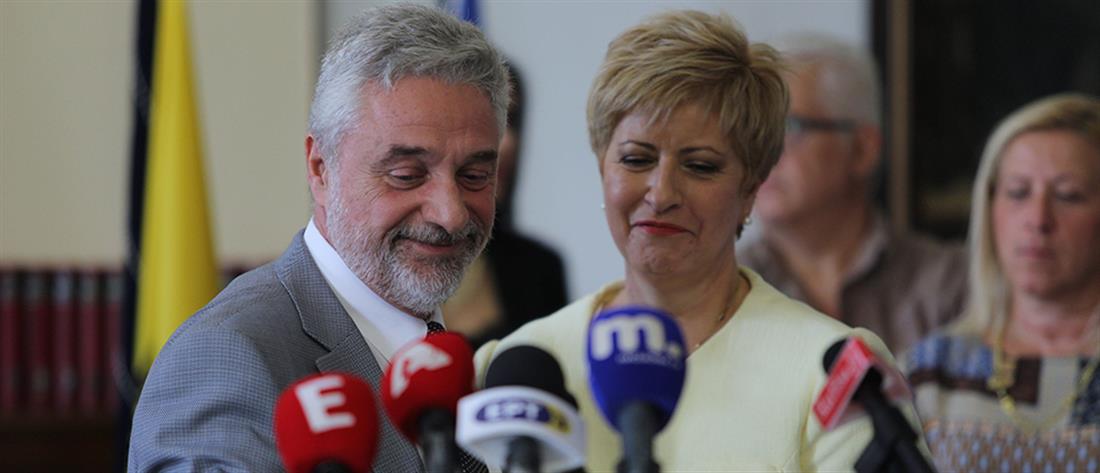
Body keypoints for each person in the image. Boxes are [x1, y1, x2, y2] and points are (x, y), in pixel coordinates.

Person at [476, 11, 924, 471]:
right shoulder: (521, 368)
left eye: (700, 166)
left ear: (751, 189)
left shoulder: (832, 371)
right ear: (602, 168)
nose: (662, 194)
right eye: (636, 159)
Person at [127, 4, 509, 471]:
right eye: (407, 175)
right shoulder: (228, 355)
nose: (450, 214)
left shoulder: (479, 363)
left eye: (474, 176)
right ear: (320, 169)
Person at [904, 94, 1100, 471]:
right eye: (1018, 192)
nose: (1038, 219)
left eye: (1068, 195)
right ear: (989, 207)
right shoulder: (929, 373)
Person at [737, 33, 967, 355]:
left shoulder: (950, 284)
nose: (763, 153)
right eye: (753, 132)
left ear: (863, 149)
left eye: (789, 128)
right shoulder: (723, 291)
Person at [442, 63, 569, 347]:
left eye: (512, 121)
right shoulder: (382, 265)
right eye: (489, 121)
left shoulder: (540, 267)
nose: (508, 142)